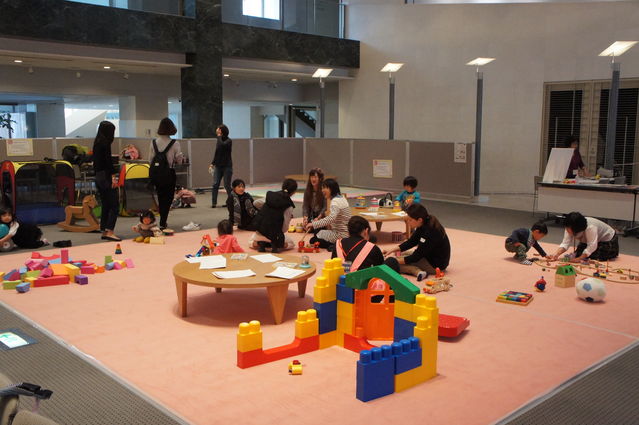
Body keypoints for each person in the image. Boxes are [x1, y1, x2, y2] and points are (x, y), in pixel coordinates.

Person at [383, 204, 450, 281]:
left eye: (410, 220)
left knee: (391, 265)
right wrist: (392, 250)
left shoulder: (429, 232)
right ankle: (411, 267)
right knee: (400, 254)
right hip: (428, 256)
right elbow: (411, 242)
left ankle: (416, 271)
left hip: (435, 265)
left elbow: (416, 257)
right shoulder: (423, 223)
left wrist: (394, 261)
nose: (408, 222)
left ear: (419, 220)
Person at [150, 117, 183, 230]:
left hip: (156, 174)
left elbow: (150, 160)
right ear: (171, 128)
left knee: (160, 196)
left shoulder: (153, 142)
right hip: (169, 173)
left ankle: (162, 220)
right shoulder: (175, 143)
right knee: (168, 198)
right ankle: (163, 221)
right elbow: (179, 161)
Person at [92, 120, 121, 241]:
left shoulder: (97, 143)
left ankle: (104, 230)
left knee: (106, 204)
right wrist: (114, 177)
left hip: (98, 176)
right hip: (106, 177)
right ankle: (110, 231)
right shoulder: (105, 144)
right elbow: (108, 163)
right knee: (115, 205)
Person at [251, 178, 298, 253]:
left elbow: (255, 203)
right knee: (291, 244)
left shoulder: (271, 196)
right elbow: (285, 227)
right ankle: (274, 244)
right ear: (294, 192)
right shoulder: (289, 205)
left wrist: (265, 211)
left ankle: (261, 244)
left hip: (260, 231)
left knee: (251, 241)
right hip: (275, 235)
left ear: (282, 186)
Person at [551, 212, 618, 262]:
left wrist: (579, 259)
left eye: (569, 230)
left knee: (595, 256)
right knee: (579, 254)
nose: (567, 231)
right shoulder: (569, 226)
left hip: (607, 240)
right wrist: (556, 254)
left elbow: (592, 245)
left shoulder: (590, 227)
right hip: (589, 240)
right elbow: (565, 243)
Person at [305, 178, 351, 249]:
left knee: (313, 240)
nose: (322, 190)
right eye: (322, 188)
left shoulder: (335, 201)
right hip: (346, 233)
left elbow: (331, 218)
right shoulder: (342, 198)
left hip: (340, 235)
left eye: (324, 188)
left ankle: (336, 245)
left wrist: (313, 224)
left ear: (331, 188)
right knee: (319, 232)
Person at [209, 124, 233, 208]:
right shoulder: (218, 140)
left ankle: (231, 202)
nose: (216, 130)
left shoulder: (229, 141)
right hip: (218, 166)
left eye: (218, 129)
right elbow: (217, 153)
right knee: (215, 184)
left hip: (227, 166)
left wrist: (219, 136)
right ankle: (214, 203)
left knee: (227, 185)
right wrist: (212, 163)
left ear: (222, 131)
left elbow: (222, 145)